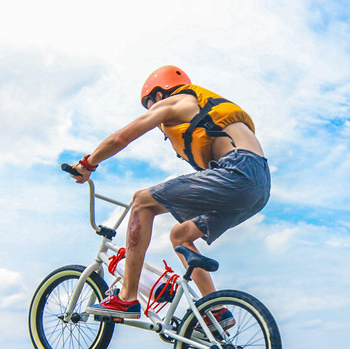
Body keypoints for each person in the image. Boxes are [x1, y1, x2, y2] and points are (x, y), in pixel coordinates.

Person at [70, 66, 271, 322]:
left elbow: (121, 138)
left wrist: (88, 163)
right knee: (180, 235)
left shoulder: (176, 101)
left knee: (142, 201)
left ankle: (126, 297)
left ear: (158, 94)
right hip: (259, 187)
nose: (152, 110)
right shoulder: (199, 106)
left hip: (238, 170)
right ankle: (215, 310)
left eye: (150, 103)